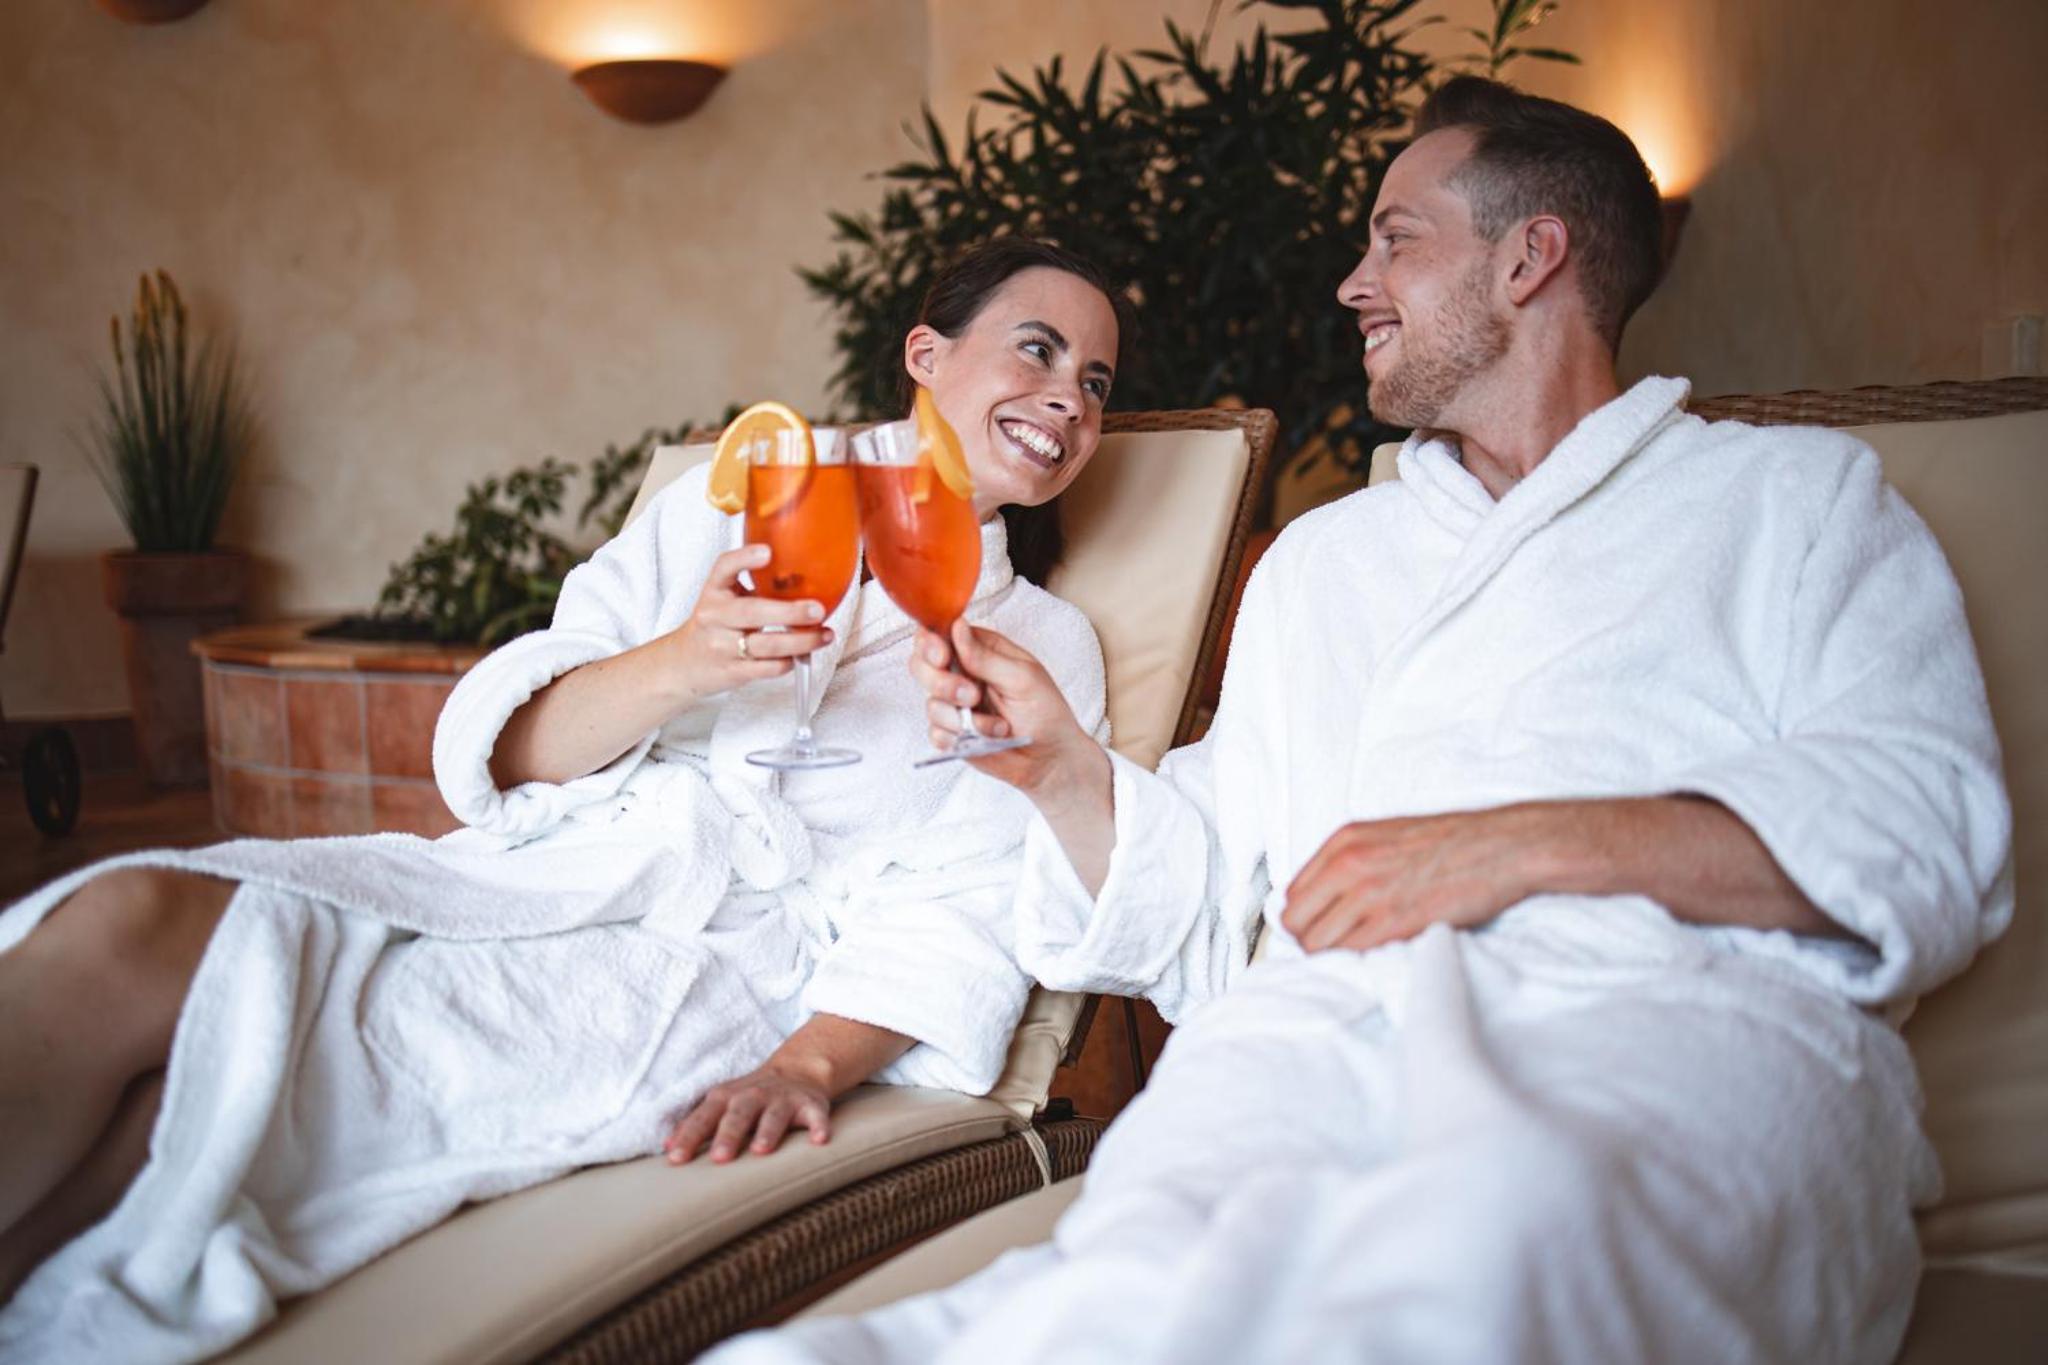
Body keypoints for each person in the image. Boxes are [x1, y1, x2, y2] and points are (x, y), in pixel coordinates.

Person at [715, 77, 2012, 1364]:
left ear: (1529, 259)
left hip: (1663, 1035)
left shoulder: (1793, 505)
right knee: (1096, 1301)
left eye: (1395, 240)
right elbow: (1207, 897)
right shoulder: (1324, 564)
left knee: (1501, 1255)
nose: (1352, 284)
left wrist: (1508, 848)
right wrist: (1059, 769)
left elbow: (1925, 824)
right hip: (1311, 1050)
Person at [0, 236, 1127, 1363]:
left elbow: (968, 905)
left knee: (210, 1088)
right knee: (128, 917)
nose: (1068, 399)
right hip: (535, 873)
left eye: (1093, 382)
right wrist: (685, 661)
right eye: (1037, 350)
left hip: (702, 971)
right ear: (925, 354)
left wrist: (804, 1063)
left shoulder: (1042, 647)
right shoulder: (744, 497)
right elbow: (516, 753)